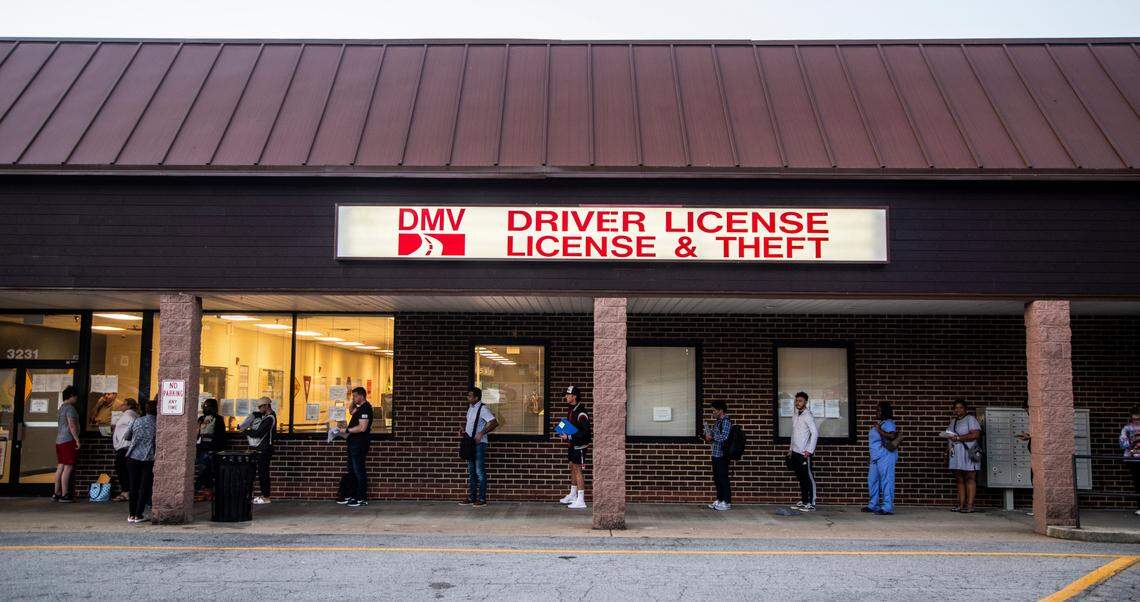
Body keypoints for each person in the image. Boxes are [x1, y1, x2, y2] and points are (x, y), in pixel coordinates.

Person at [459, 386, 499, 507]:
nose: (468, 397)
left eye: (470, 396)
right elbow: (471, 424)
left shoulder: (483, 409)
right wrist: (464, 430)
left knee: (479, 472)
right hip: (470, 443)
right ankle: (472, 497)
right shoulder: (471, 408)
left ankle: (481, 499)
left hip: (479, 444)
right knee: (471, 472)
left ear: (476, 397)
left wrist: (482, 433)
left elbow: (494, 422)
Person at [336, 387, 374, 508]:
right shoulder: (359, 408)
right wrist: (354, 400)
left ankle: (361, 498)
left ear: (362, 396)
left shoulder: (366, 408)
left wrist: (346, 430)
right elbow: (351, 411)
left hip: (359, 444)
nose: (353, 398)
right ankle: (352, 495)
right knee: (352, 471)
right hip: (353, 444)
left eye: (355, 396)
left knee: (359, 471)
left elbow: (362, 428)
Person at [124, 398, 157, 523]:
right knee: (144, 487)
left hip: (133, 456)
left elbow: (127, 437)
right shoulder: (158, 424)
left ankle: (131, 514)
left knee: (133, 486)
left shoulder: (137, 421)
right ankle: (139, 514)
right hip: (148, 457)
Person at [558, 385, 591, 510]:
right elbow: (569, 423)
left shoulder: (581, 412)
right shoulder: (571, 408)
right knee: (572, 467)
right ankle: (573, 494)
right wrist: (560, 427)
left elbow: (586, 433)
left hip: (579, 446)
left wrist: (570, 437)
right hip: (572, 444)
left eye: (568, 394)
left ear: (574, 396)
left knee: (578, 470)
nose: (566, 396)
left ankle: (581, 499)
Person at [946, 399, 982, 513]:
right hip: (957, 453)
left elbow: (976, 434)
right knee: (959, 478)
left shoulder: (970, 419)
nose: (958, 410)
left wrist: (958, 438)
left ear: (965, 408)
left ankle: (970, 506)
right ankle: (961, 505)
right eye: (956, 408)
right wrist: (946, 451)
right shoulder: (954, 421)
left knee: (970, 477)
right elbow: (950, 437)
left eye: (960, 407)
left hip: (970, 451)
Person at [785, 391, 819, 512]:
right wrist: (790, 449)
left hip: (804, 453)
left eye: (800, 401)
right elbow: (793, 433)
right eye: (796, 400)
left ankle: (811, 502)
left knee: (808, 477)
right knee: (801, 477)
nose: (797, 402)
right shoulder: (795, 415)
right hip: (795, 452)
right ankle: (804, 501)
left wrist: (809, 450)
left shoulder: (808, 415)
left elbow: (815, 433)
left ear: (805, 402)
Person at [864, 401, 899, 515]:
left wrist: (879, 429)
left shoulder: (888, 423)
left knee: (886, 481)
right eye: (876, 410)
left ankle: (887, 506)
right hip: (875, 457)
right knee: (872, 480)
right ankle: (873, 504)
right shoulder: (881, 422)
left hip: (886, 455)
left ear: (885, 411)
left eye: (879, 410)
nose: (876, 412)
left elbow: (892, 435)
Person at [242, 397, 276, 505]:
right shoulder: (266, 417)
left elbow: (258, 433)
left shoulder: (269, 418)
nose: (259, 409)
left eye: (261, 407)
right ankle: (264, 495)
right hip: (263, 448)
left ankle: (266, 496)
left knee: (263, 473)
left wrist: (246, 430)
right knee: (262, 473)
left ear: (266, 406)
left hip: (265, 449)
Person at [53, 385, 81, 503]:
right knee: (68, 467)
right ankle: (65, 494)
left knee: (61, 466)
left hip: (59, 440)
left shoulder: (61, 408)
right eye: (76, 396)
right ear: (71, 396)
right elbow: (72, 425)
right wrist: (77, 439)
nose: (76, 399)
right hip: (68, 440)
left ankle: (56, 493)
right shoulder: (70, 408)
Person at [703, 400, 733, 511]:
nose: (713, 412)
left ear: (720, 410)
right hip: (715, 453)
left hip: (722, 454)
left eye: (714, 410)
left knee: (723, 478)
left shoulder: (726, 422)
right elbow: (715, 434)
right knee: (717, 478)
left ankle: (727, 502)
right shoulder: (718, 421)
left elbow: (724, 437)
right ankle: (720, 499)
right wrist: (708, 433)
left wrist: (713, 437)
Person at [195, 398, 226, 501]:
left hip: (213, 449)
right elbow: (196, 433)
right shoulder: (201, 418)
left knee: (211, 472)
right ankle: (201, 491)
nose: (205, 408)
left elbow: (221, 435)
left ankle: (207, 492)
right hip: (202, 449)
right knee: (202, 471)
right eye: (204, 406)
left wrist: (217, 449)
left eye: (207, 406)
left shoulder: (218, 419)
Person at [111, 398, 139, 502]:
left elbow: (134, 427)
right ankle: (125, 491)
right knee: (123, 469)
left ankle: (126, 492)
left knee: (122, 470)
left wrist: (128, 437)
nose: (121, 405)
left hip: (125, 446)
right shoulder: (130, 415)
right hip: (123, 446)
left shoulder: (129, 415)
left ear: (128, 405)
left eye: (123, 404)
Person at [1118, 406, 1140, 516]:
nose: (1136, 421)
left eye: (1138, 419)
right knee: (1137, 482)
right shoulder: (1127, 428)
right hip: (1133, 458)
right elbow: (1122, 443)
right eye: (1134, 419)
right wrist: (1131, 442)